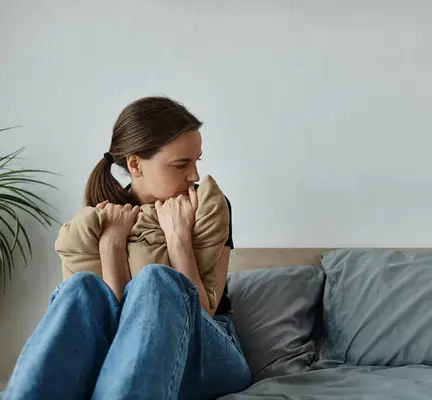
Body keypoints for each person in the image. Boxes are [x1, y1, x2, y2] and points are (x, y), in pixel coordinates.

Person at [4, 97, 252, 400]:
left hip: (210, 352)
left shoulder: (208, 205)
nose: (195, 176)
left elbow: (204, 312)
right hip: (127, 353)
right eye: (181, 164)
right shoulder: (105, 216)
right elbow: (113, 324)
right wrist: (111, 245)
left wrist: (178, 239)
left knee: (156, 279)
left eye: (197, 160)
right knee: (81, 287)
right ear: (135, 164)